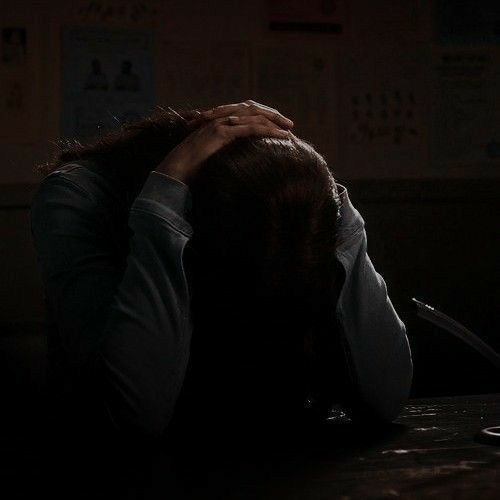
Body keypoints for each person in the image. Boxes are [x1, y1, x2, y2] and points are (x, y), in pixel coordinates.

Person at [30, 100, 413, 445]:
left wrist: (338, 212)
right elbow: (135, 415)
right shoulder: (79, 195)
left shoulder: (290, 213)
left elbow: (387, 395)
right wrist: (163, 210)